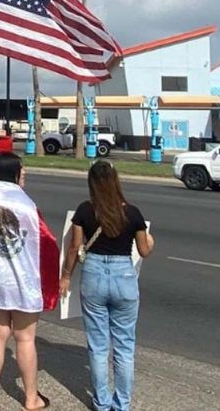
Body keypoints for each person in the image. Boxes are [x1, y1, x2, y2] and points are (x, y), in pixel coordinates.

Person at [60, 160, 155, 411]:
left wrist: (66, 276)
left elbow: (74, 248)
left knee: (98, 345)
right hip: (124, 276)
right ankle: (121, 404)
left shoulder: (84, 210)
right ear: (116, 182)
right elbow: (144, 251)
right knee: (124, 346)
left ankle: (101, 403)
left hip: (93, 274)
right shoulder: (133, 213)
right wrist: (151, 240)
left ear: (92, 183)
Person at [0, 152, 58, 411]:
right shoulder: (26, 204)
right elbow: (47, 243)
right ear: (14, 172)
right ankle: (31, 398)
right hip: (23, 280)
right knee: (25, 339)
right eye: (22, 169)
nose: (25, 173)